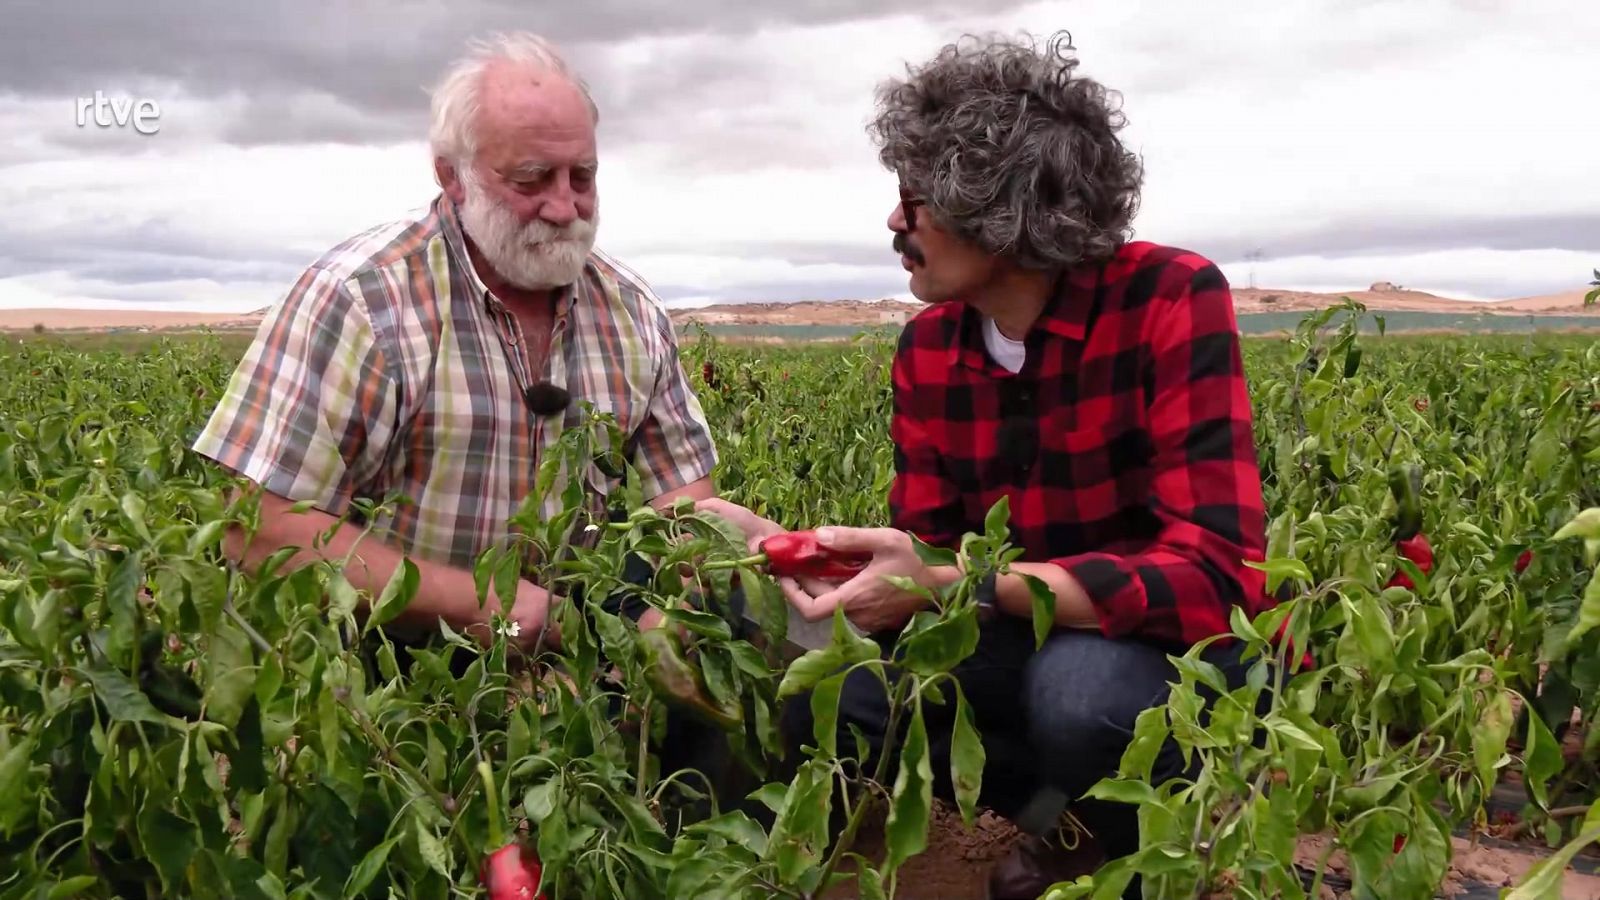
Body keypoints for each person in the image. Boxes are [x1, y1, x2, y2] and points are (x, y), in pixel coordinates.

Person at [697, 30, 1279, 899]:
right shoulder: (931, 347)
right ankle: (1050, 809)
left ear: (998, 206)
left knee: (1082, 693)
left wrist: (962, 586)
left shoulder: (1169, 298)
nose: (897, 221)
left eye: (915, 197)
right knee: (844, 692)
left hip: (1162, 654)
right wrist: (807, 552)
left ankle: (1113, 836)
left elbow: (1214, 576)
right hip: (1015, 639)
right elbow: (928, 555)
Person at [193, 31, 719, 652]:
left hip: (577, 667)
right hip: (382, 678)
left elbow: (684, 498)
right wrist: (483, 605)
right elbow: (260, 531)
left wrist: (675, 596)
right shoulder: (363, 300)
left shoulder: (630, 311)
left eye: (582, 176)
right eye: (530, 180)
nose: (564, 206)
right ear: (453, 176)